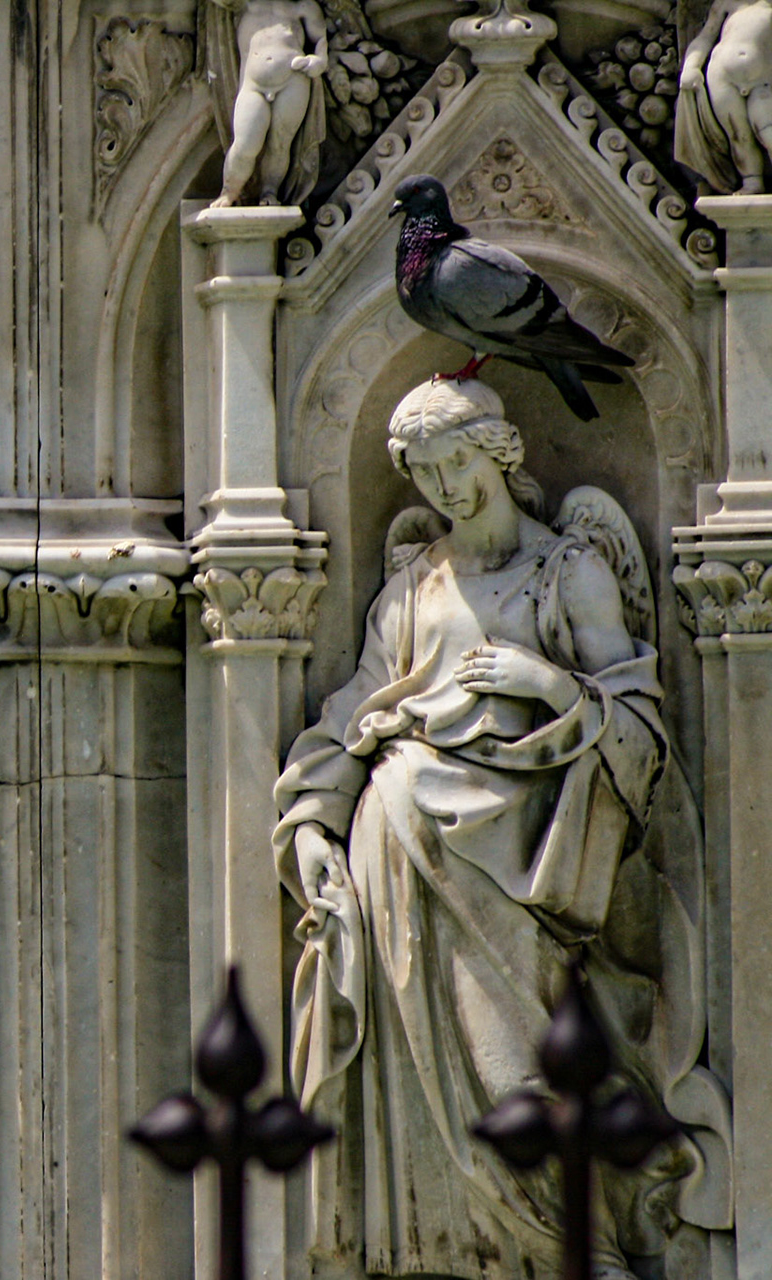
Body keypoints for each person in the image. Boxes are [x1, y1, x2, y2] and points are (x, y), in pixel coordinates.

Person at [273, 379, 728, 1277]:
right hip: (400, 864)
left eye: (460, 462)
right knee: (430, 1093)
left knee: (520, 1070)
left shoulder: (572, 571)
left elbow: (639, 734)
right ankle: (443, 1253)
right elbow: (351, 717)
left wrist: (550, 684)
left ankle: (574, 1252)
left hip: (521, 877)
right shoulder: (411, 589)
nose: (448, 486)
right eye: (428, 472)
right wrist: (317, 827)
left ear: (502, 452)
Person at [201, 0, 328, 207]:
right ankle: (229, 192)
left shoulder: (303, 7)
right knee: (245, 145)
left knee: (280, 143)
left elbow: (321, 40)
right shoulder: (244, 4)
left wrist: (319, 62)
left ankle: (270, 192)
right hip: (253, 85)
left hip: (294, 80)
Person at [679, 0, 772, 193]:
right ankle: (751, 182)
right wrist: (691, 66)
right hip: (721, 75)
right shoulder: (727, 3)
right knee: (738, 135)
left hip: (763, 78)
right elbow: (705, 38)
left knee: (767, 131)